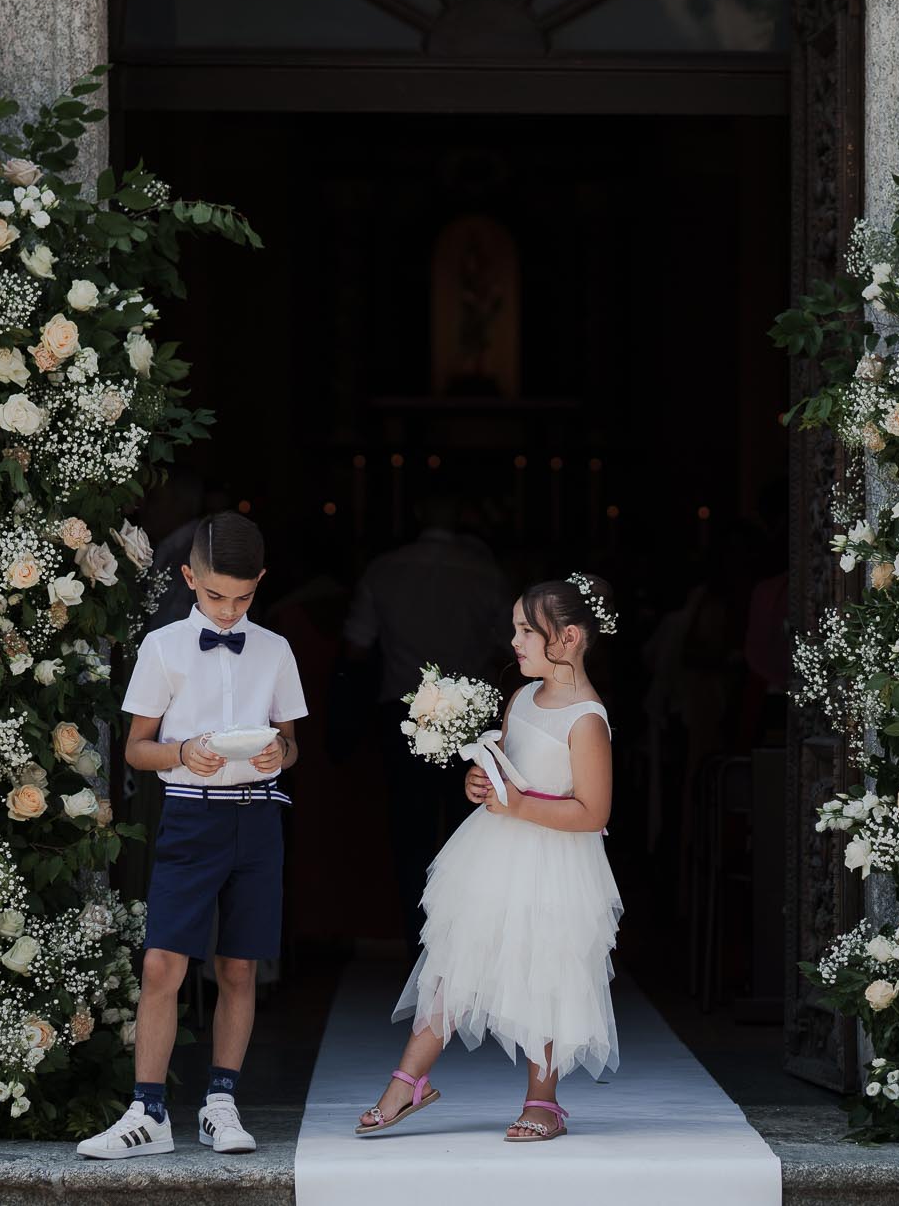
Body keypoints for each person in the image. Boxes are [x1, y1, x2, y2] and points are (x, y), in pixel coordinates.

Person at [354, 573, 622, 1144]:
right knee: (455, 962)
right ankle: (408, 1082)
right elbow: (507, 762)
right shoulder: (523, 696)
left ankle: (543, 1100)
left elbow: (594, 812)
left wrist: (520, 805)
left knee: (546, 971)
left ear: (569, 637)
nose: (516, 642)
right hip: (496, 850)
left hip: (555, 859)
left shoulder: (587, 719)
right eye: (516, 630)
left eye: (528, 631)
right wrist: (482, 779)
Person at [77, 512, 308, 1159]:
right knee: (162, 961)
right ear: (189, 578)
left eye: (243, 596)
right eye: (215, 596)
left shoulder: (275, 649)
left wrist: (278, 756)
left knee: (240, 964)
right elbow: (136, 749)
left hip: (259, 818)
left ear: (259, 582)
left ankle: (221, 1103)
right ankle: (147, 1111)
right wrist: (183, 750)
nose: (230, 611)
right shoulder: (163, 648)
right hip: (189, 814)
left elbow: (291, 743)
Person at [342, 494, 513, 957]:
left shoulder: (384, 569)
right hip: (472, 713)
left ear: (418, 514)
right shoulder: (485, 573)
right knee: (472, 829)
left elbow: (357, 645)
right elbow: (508, 646)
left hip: (407, 709)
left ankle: (418, 940)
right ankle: (466, 942)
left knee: (411, 830)